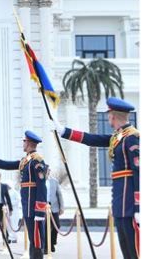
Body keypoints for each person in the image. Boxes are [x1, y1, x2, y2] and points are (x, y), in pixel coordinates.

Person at [55, 96, 139, 259]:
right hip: (121, 206)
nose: (108, 118)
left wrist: (139, 208)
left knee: (134, 250)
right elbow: (91, 139)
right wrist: (64, 131)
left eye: (109, 115)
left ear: (113, 116)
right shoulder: (118, 137)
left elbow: (139, 173)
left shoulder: (132, 138)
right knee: (126, 250)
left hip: (130, 206)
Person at [0, 130, 48, 259]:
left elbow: (42, 188)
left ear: (29, 143)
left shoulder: (37, 162)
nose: (23, 143)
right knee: (32, 239)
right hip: (27, 206)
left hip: (34, 208)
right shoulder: (26, 161)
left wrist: (40, 213)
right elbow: (5, 164)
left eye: (24, 141)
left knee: (36, 241)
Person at [44, 166, 64, 254]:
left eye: (48, 170)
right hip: (43, 206)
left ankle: (52, 242)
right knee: (45, 227)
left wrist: (61, 207)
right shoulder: (39, 181)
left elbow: (59, 195)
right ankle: (46, 246)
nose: (47, 172)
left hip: (54, 206)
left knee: (57, 225)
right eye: (45, 170)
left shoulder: (54, 181)